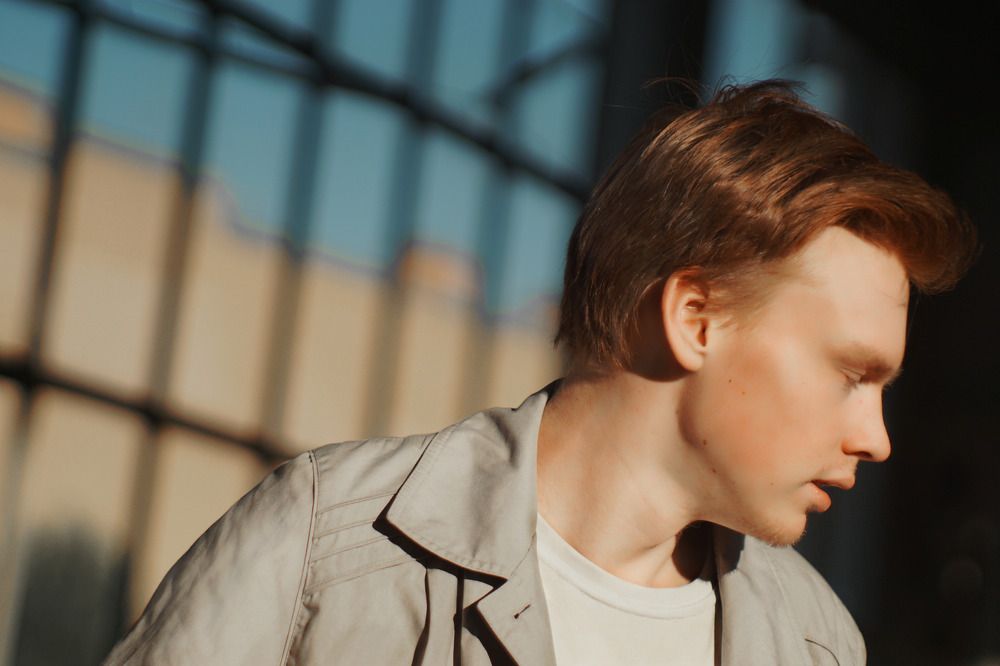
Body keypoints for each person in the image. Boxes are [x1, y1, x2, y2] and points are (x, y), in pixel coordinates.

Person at [104, 80, 977, 665]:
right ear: (696, 319)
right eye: (851, 374)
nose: (876, 438)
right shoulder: (325, 549)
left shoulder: (818, 645)